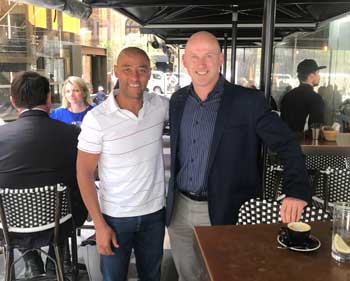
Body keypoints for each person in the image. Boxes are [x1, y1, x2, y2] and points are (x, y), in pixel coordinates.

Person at [166, 31, 312, 281]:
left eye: (209, 56)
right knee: (187, 275)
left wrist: (297, 190)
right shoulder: (178, 100)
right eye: (195, 56)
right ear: (185, 61)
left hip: (224, 209)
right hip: (179, 208)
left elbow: (287, 143)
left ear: (221, 59)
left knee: (223, 274)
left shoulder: (248, 101)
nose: (201, 64)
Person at [76, 47, 169, 281]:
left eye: (142, 70)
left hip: (154, 214)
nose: (135, 77)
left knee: (152, 276)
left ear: (149, 73)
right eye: (127, 69)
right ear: (116, 71)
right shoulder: (97, 118)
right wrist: (99, 224)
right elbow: (84, 172)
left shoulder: (160, 106)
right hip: (115, 217)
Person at [0, 71, 87, 278]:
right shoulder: (71, 133)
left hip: (11, 223)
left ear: (13, 101)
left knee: (15, 204)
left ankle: (31, 261)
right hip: (62, 220)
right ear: (49, 97)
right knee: (68, 192)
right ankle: (59, 258)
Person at [280, 59, 326, 135]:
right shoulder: (315, 99)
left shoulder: (288, 96)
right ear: (311, 76)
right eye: (318, 73)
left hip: (284, 143)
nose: (319, 76)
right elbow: (315, 129)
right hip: (303, 144)